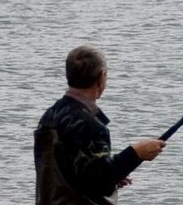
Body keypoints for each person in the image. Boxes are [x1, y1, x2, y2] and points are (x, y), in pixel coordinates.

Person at [34, 45, 164, 204]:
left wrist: (116, 172)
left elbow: (68, 170)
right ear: (101, 77)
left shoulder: (50, 115)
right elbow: (100, 182)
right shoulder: (91, 125)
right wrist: (135, 154)